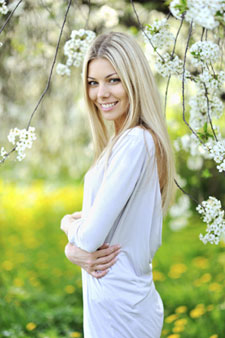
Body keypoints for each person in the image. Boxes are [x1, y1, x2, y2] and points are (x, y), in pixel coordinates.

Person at [60, 31, 176, 338]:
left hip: (122, 309)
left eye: (113, 80)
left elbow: (87, 239)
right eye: (93, 83)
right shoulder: (122, 142)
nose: (101, 94)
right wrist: (76, 240)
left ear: (134, 80)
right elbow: (101, 219)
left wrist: (68, 230)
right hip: (114, 302)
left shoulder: (136, 142)